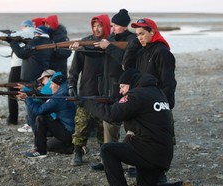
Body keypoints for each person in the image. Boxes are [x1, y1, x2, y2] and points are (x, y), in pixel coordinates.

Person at [82, 69, 198, 186]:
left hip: (147, 149)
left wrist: (87, 104)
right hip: (161, 153)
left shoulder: (136, 95)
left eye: (122, 87)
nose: (120, 91)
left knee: (108, 150)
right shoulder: (157, 92)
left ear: (131, 85)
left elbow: (112, 115)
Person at [91, 9, 141, 171]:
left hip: (127, 88)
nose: (112, 28)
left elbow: (127, 62)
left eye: (115, 25)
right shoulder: (110, 39)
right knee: (109, 124)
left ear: (123, 26)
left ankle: (135, 163)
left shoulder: (133, 40)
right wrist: (79, 47)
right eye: (112, 25)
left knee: (131, 127)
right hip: (110, 88)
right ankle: (109, 161)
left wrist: (109, 47)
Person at [68, 14, 111, 166]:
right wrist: (72, 84)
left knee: (102, 127)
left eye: (100, 26)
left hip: (105, 93)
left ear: (106, 26)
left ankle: (104, 155)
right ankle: (77, 152)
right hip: (86, 91)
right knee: (81, 125)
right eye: (94, 26)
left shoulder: (111, 44)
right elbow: (74, 69)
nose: (96, 29)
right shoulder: (85, 43)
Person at [126, 18, 177, 146]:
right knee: (142, 137)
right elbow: (127, 67)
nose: (139, 38)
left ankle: (159, 164)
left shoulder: (162, 52)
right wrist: (132, 47)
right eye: (137, 35)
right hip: (143, 102)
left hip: (158, 104)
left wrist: (163, 106)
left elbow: (168, 83)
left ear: (152, 32)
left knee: (161, 140)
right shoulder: (142, 51)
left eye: (142, 34)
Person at [0, 19, 34, 125]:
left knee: (11, 89)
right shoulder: (34, 33)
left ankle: (13, 118)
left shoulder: (24, 33)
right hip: (29, 66)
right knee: (29, 90)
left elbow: (8, 37)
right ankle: (30, 118)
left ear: (24, 26)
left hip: (17, 65)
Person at [7, 25, 53, 130]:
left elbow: (20, 53)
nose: (34, 36)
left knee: (30, 100)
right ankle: (36, 123)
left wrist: (12, 42)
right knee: (39, 100)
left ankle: (31, 123)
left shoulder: (35, 42)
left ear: (38, 33)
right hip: (41, 75)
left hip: (30, 77)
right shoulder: (49, 42)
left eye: (35, 34)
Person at [22, 75, 77, 158]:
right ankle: (74, 148)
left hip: (68, 133)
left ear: (58, 86)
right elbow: (49, 100)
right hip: (74, 132)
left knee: (41, 118)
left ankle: (40, 151)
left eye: (52, 84)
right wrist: (28, 91)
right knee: (48, 145)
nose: (50, 86)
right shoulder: (67, 91)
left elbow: (38, 111)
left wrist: (26, 98)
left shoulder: (59, 98)